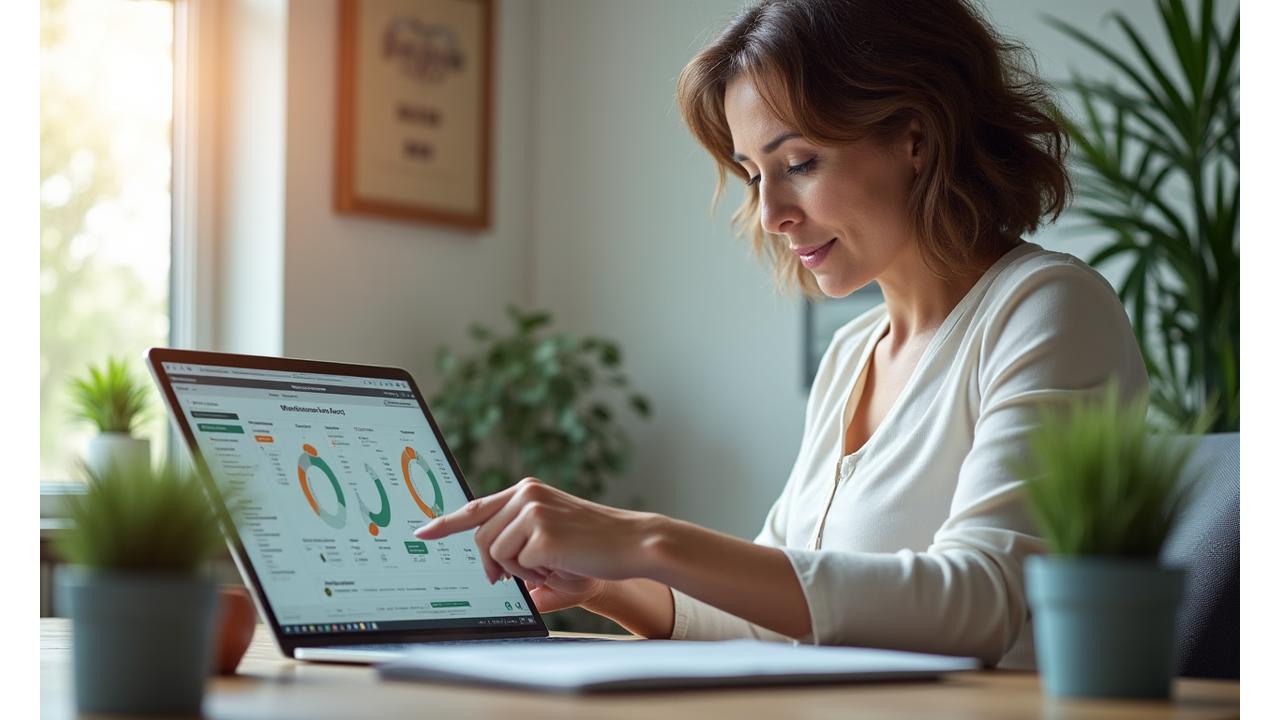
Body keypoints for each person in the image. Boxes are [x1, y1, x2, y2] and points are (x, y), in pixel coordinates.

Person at [414, 0, 1146, 668]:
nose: (770, 215)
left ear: (915, 137)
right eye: (754, 175)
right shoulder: (854, 355)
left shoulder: (1049, 310)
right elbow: (779, 616)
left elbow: (985, 601)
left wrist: (647, 539)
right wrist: (612, 586)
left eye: (798, 163)